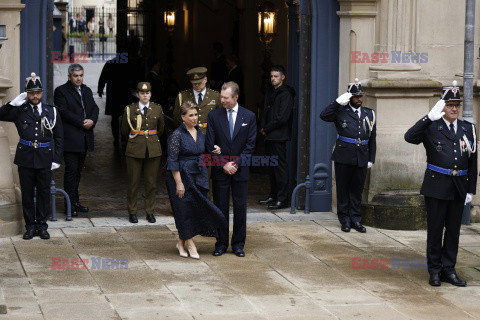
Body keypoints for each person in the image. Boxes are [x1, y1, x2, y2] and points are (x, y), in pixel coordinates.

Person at [405, 81, 477, 287]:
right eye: (449, 105)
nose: (454, 109)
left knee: (453, 231)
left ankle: (449, 270)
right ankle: (435, 270)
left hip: (459, 186)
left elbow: (473, 161)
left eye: (457, 105)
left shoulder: (468, 128)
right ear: (442, 106)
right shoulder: (431, 127)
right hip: (436, 186)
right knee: (435, 230)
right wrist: (428, 117)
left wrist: (471, 189)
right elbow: (409, 137)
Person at [0, 73, 63, 240]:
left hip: (45, 157)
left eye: (38, 93)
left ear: (42, 93)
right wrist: (12, 103)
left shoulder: (52, 111)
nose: (35, 96)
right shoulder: (20, 110)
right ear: (27, 94)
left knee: (43, 193)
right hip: (26, 157)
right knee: (27, 194)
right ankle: (30, 226)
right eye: (31, 93)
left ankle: (42, 226)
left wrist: (56, 159)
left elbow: (59, 137)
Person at [166, 101, 226, 259]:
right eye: (190, 115)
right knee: (184, 210)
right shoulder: (176, 136)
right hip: (180, 176)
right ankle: (190, 244)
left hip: (198, 175)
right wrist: (179, 183)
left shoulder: (200, 132)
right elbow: (172, 162)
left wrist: (216, 150)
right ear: (182, 117)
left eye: (196, 114)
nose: (194, 118)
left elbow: (206, 151)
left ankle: (181, 243)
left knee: (196, 209)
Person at [206, 81, 257, 257]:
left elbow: (250, 146)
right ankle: (220, 243)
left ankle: (238, 245)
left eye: (225, 98)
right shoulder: (214, 116)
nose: (222, 100)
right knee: (220, 208)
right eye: (221, 96)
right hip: (221, 170)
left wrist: (235, 164)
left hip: (240, 170)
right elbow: (210, 144)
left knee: (240, 207)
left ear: (235, 97)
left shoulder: (249, 116)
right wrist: (223, 164)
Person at [320, 79, 376, 233]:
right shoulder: (340, 112)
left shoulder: (369, 113)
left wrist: (371, 158)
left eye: (360, 96)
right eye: (356, 96)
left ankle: (356, 220)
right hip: (344, 156)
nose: (359, 99)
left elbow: (373, 138)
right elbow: (323, 115)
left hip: (362, 156)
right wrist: (337, 103)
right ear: (350, 97)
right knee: (343, 190)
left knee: (357, 190)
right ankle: (344, 220)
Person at [54, 64, 99, 217]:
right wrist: (82, 122)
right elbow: (63, 112)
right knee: (71, 172)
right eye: (75, 76)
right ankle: (69, 205)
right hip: (71, 140)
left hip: (85, 139)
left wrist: (92, 120)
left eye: (80, 75)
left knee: (78, 172)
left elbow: (94, 108)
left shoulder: (86, 90)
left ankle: (75, 201)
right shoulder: (61, 91)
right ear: (69, 77)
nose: (79, 78)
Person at [121, 82, 165, 224]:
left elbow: (161, 129)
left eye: (147, 93)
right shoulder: (130, 109)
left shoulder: (157, 109)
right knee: (133, 183)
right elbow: (124, 131)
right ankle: (133, 212)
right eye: (142, 93)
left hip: (152, 149)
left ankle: (149, 211)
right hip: (134, 149)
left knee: (151, 183)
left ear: (150, 94)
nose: (145, 95)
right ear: (138, 94)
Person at [259, 65, 295, 210]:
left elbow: (282, 117)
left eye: (276, 76)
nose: (273, 79)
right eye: (272, 76)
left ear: (282, 77)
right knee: (272, 167)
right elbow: (265, 111)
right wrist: (262, 127)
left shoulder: (286, 94)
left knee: (280, 168)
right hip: (269, 135)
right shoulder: (270, 91)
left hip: (279, 136)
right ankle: (273, 195)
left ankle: (282, 199)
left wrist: (266, 128)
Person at [98, 58, 135, 146]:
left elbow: (103, 77)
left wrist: (100, 89)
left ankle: (116, 138)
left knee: (114, 117)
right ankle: (123, 136)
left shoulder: (110, 63)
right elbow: (133, 77)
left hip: (113, 93)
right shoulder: (128, 63)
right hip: (124, 93)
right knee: (125, 116)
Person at [173, 67, 222, 133]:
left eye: (199, 82)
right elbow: (177, 119)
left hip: (209, 136)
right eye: (194, 83)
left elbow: (221, 117)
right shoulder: (182, 96)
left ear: (205, 79)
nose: (197, 85)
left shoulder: (215, 96)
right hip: (189, 136)